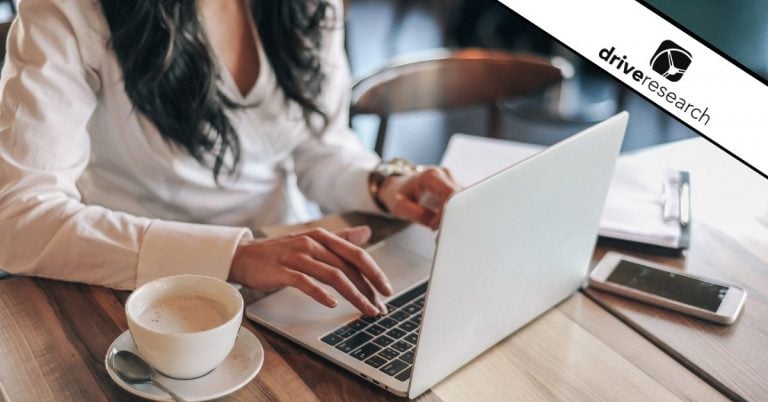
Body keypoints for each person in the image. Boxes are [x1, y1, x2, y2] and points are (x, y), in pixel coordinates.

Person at [0, 0, 459, 316]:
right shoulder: (70, 10)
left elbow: (318, 146)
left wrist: (385, 182)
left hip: (292, 269)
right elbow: (19, 216)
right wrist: (233, 255)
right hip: (137, 288)